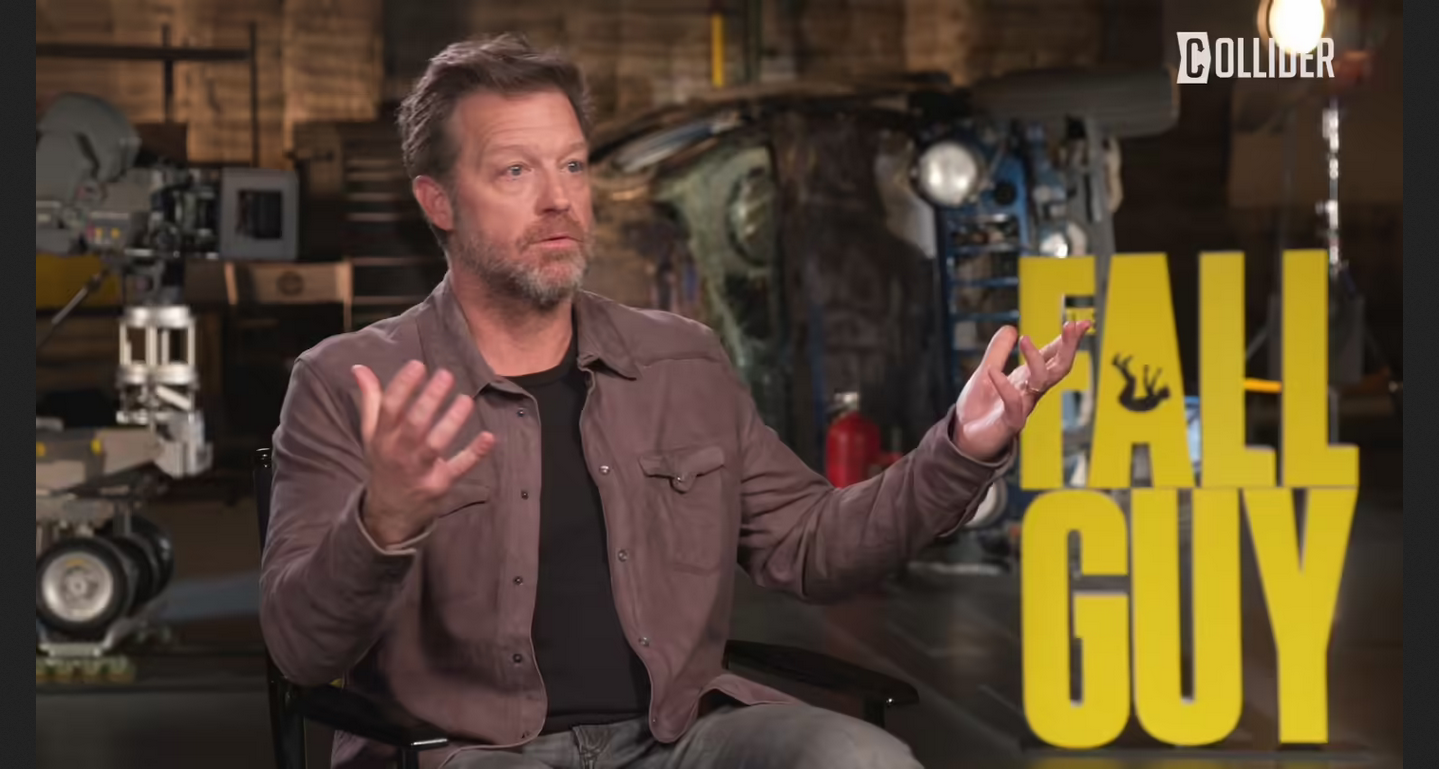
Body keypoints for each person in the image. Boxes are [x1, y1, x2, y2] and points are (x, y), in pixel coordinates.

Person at [259, 33, 1090, 769]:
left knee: (859, 756)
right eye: (515, 170)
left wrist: (963, 445)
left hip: (678, 739)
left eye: (572, 165)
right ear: (436, 200)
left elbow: (811, 545)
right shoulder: (348, 382)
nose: (558, 199)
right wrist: (382, 524)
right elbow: (301, 651)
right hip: (469, 752)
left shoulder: (680, 360)